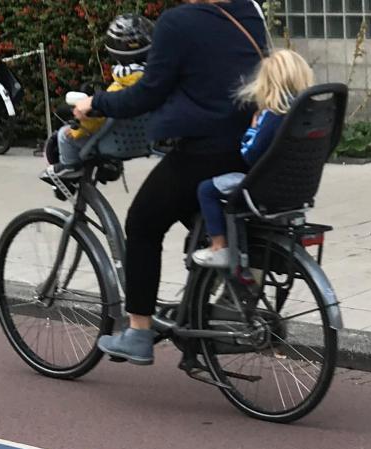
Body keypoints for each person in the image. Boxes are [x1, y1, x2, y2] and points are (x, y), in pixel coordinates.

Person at [72, 0, 268, 365]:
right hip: (251, 147)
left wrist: (96, 103)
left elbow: (149, 92)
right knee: (185, 210)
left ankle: (138, 332)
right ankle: (208, 303)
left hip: (204, 151)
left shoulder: (177, 22)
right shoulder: (250, 10)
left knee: (143, 222)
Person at [193, 49, 314, 268]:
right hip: (298, 186)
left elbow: (251, 153)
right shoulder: (306, 113)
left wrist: (252, 128)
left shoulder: (272, 114)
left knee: (206, 190)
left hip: (263, 185)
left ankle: (219, 247)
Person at [44, 14, 154, 179]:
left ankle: (69, 169)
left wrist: (76, 130)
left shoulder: (119, 88)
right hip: (144, 141)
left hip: (114, 144)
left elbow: (97, 119)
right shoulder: (154, 80)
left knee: (63, 136)